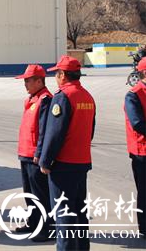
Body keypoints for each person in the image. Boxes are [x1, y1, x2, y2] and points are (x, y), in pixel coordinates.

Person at [40, 55, 96, 251]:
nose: (56, 77)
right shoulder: (87, 96)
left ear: (63, 74)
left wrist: (45, 162)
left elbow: (54, 134)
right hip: (82, 162)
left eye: (57, 73)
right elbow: (90, 132)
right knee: (79, 211)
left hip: (64, 164)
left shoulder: (63, 97)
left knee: (63, 213)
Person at [14, 64, 53, 241]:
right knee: (29, 194)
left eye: (28, 80)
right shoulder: (33, 98)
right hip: (25, 153)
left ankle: (45, 229)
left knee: (40, 196)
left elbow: (45, 131)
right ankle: (33, 223)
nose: (25, 84)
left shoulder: (45, 99)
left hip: (34, 155)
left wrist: (39, 153)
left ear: (39, 81)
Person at [123, 57, 146, 239]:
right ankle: (145, 227)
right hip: (142, 152)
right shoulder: (134, 94)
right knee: (145, 192)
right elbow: (138, 123)